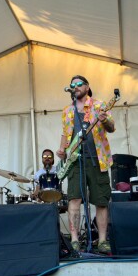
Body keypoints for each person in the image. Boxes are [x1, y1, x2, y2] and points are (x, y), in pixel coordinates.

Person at [56, 75, 115, 254]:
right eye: (72, 84)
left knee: (101, 200)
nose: (75, 86)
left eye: (79, 84)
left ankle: (103, 240)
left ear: (87, 86)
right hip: (75, 160)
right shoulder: (67, 110)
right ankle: (74, 240)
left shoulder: (99, 105)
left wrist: (104, 119)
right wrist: (61, 149)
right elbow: (66, 134)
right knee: (74, 199)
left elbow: (111, 127)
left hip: (98, 159)